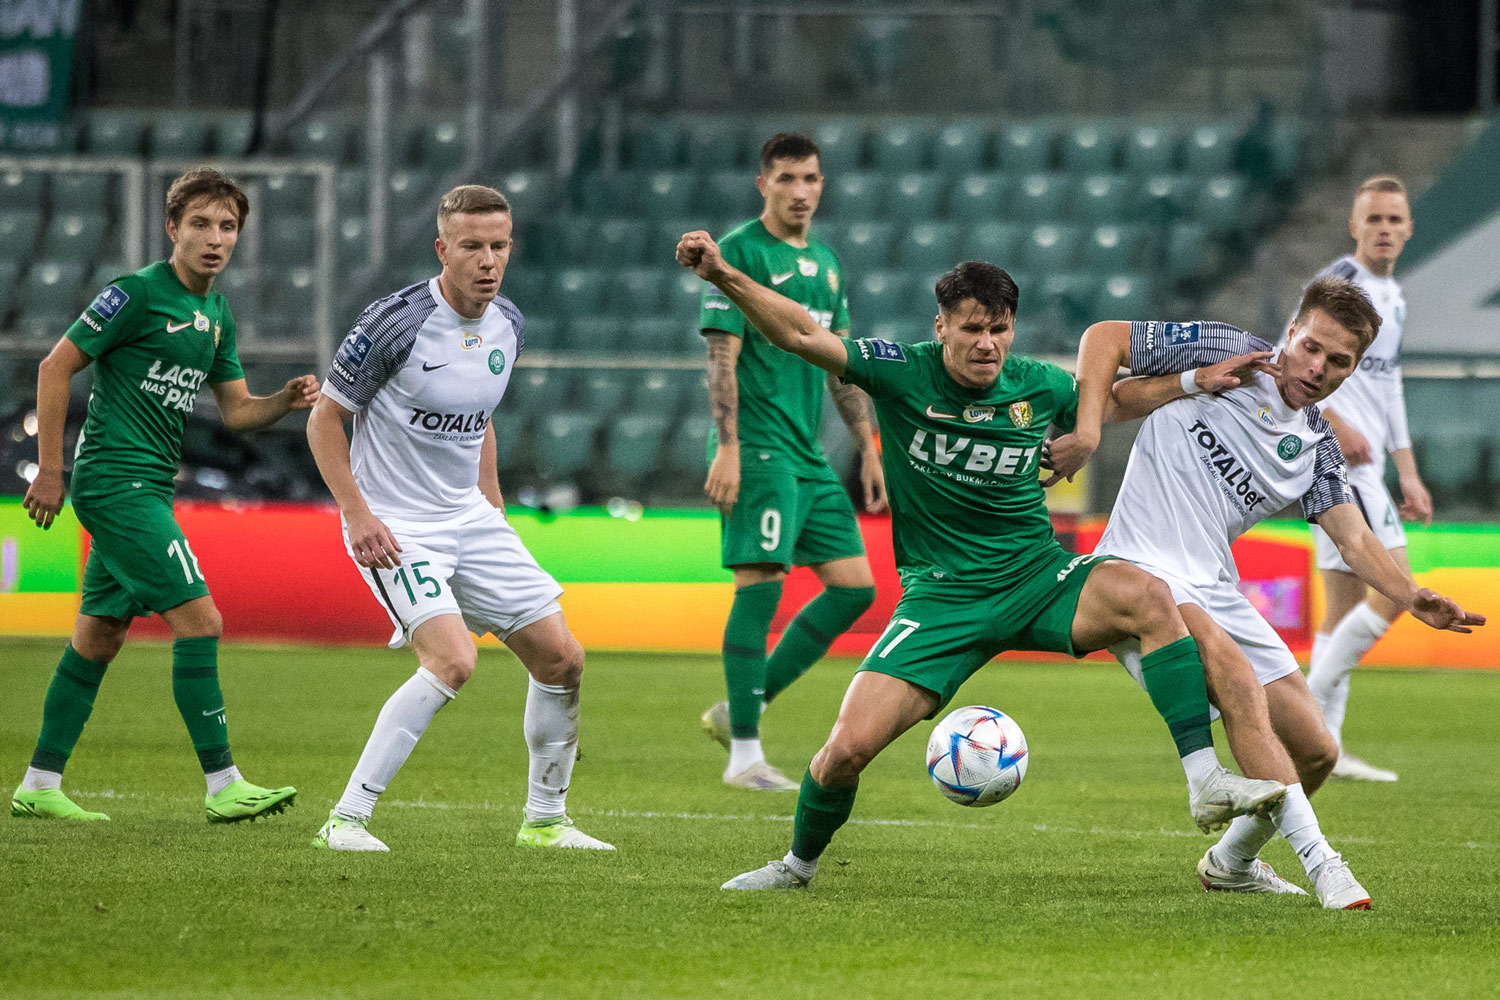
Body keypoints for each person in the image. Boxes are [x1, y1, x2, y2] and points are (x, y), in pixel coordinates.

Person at [677, 234, 1286, 892]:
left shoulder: (1034, 385)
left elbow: (1107, 401)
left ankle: (1203, 779)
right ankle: (797, 866)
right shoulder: (901, 371)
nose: (988, 343)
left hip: (1034, 579)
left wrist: (1194, 381)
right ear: (941, 327)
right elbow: (800, 334)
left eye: (999, 329)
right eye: (972, 329)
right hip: (940, 600)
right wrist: (723, 273)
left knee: (1149, 596)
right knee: (844, 751)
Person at [1059, 277, 1482, 908]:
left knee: (1316, 751)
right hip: (1139, 570)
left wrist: (1411, 594)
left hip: (1214, 585)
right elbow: (1104, 339)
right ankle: (1324, 863)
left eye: (1340, 361)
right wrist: (1090, 432)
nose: (1318, 368)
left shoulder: (1316, 450)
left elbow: (1357, 540)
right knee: (1240, 694)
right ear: (1291, 333)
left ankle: (1229, 861)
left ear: (1354, 370)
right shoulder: (1226, 347)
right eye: (1312, 347)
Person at [306, 184, 611, 853]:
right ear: (443, 249)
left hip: (469, 517)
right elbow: (326, 416)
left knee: (562, 659)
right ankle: (345, 820)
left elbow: (480, 418)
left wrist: (492, 507)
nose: (488, 259)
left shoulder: (509, 323)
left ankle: (545, 821)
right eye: (472, 246)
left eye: (499, 245)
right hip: (395, 522)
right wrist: (356, 513)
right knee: (452, 661)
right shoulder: (394, 323)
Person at [13, 167, 318, 823]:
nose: (215, 239)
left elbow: (237, 412)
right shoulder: (135, 295)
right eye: (201, 224)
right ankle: (224, 785)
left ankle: (39, 783)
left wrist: (284, 402)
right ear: (172, 228)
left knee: (100, 634)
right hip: (114, 482)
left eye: (228, 226)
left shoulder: (215, 314)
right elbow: (55, 365)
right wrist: (49, 469)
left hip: (148, 484)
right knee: (202, 621)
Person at [697, 132, 885, 792]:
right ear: (763, 185)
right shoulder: (740, 253)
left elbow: (839, 366)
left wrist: (868, 446)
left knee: (856, 588)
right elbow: (720, 356)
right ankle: (744, 755)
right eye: (786, 179)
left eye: (810, 178)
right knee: (761, 586)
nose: (800, 191)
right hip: (761, 449)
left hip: (808, 454)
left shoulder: (829, 265)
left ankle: (742, 706)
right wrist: (729, 448)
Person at [1301, 176, 1429, 782]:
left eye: (1393, 220)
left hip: (1372, 463)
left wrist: (1408, 468)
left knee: (1343, 605)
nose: (1383, 228)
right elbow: (1290, 359)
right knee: (1397, 585)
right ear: (1354, 225)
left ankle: (1327, 745)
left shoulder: (1394, 296)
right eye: (1373, 218)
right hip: (1342, 462)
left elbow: (1390, 383)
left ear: (1407, 228)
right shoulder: (1337, 288)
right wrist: (1331, 418)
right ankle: (1298, 717)